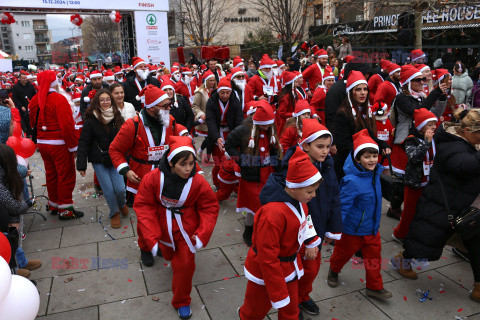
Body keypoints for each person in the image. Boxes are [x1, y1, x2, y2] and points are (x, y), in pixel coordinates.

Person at [392, 108, 480, 303]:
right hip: (444, 204)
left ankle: (478, 286)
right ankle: (403, 259)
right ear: (467, 131)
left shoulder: (470, 144)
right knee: (427, 239)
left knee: (476, 244)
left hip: (467, 204)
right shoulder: (451, 144)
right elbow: (465, 166)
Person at [134, 136, 219, 319]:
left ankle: (182, 301)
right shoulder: (153, 178)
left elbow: (209, 207)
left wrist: (202, 233)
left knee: (185, 264)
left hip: (186, 227)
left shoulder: (198, 182)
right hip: (161, 222)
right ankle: (153, 250)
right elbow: (143, 205)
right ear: (171, 162)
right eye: (183, 164)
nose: (188, 169)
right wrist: (151, 237)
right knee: (166, 252)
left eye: (191, 163)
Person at [239, 148, 321, 320]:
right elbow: (267, 256)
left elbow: (305, 222)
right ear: (293, 187)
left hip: (290, 266)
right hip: (265, 271)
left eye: (315, 191)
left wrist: (311, 241)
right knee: (254, 312)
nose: (314, 195)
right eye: (310, 191)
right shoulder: (272, 215)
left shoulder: (300, 202)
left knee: (291, 311)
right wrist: (278, 292)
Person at [109, 84, 187, 267]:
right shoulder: (132, 125)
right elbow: (115, 149)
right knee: (146, 216)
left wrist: (184, 134)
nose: (170, 108)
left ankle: (159, 242)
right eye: (166, 105)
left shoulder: (169, 119)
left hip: (166, 176)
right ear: (152, 107)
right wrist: (125, 170)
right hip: (142, 177)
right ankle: (145, 248)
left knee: (164, 213)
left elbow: (177, 131)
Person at [281, 119, 342, 318]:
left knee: (312, 269)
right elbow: (296, 207)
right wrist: (308, 239)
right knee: (299, 270)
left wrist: (334, 228)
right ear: (306, 145)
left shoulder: (327, 165)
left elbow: (334, 195)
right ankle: (292, 304)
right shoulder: (294, 167)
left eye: (327, 146)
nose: (325, 151)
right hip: (301, 233)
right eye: (319, 147)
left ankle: (303, 296)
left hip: (320, 225)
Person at [328, 129, 392, 300]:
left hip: (372, 228)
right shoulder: (351, 181)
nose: (372, 160)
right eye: (367, 157)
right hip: (352, 230)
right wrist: (335, 229)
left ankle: (374, 287)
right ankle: (333, 270)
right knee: (342, 254)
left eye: (374, 156)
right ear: (357, 159)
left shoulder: (375, 173)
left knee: (374, 259)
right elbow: (343, 207)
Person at [388, 65, 447, 219]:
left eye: (423, 79)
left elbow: (431, 114)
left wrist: (441, 97)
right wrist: (435, 92)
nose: (422, 82)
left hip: (420, 140)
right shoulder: (401, 99)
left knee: (417, 176)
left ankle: (412, 208)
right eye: (418, 80)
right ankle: (394, 208)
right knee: (402, 180)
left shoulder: (420, 97)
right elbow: (419, 113)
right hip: (404, 141)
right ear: (408, 82)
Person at [225, 101, 282, 246]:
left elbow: (274, 146)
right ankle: (249, 230)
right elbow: (229, 145)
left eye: (269, 124)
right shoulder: (244, 129)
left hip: (269, 171)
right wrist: (243, 161)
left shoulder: (271, 127)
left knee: (267, 203)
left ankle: (264, 229)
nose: (267, 127)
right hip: (253, 174)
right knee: (252, 203)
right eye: (265, 125)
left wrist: (279, 162)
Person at [29, 70, 84, 219]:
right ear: (55, 83)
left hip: (43, 143)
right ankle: (65, 209)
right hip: (59, 144)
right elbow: (67, 126)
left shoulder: (34, 99)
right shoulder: (59, 99)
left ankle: (53, 204)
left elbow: (32, 123)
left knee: (51, 174)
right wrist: (73, 147)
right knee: (65, 175)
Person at [76, 89, 127, 228]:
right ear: (97, 103)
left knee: (120, 189)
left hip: (116, 158)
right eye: (102, 100)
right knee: (109, 190)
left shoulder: (117, 116)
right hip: (99, 159)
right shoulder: (91, 119)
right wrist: (81, 165)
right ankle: (114, 213)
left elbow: (124, 138)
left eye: (108, 99)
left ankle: (122, 204)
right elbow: (83, 142)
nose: (105, 102)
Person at [333, 71, 390, 180]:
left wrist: (382, 145)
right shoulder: (343, 113)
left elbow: (369, 136)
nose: (363, 93)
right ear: (351, 92)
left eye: (365, 89)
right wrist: (367, 151)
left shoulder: (366, 111)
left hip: (363, 164)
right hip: (348, 167)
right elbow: (343, 145)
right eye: (358, 89)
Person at [392, 109, 437, 243]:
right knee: (409, 212)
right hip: (415, 183)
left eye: (435, 124)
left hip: (429, 181)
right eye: (430, 124)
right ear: (420, 126)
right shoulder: (411, 140)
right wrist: (426, 143)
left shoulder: (435, 138)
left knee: (424, 210)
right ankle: (399, 234)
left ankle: (416, 232)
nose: (434, 127)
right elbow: (414, 157)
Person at [0, 144, 42, 277]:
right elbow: (13, 205)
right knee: (7, 246)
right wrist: (27, 204)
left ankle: (20, 264)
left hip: (8, 218)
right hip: (5, 220)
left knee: (12, 240)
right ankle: (14, 273)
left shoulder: (4, 175)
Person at [205, 77, 243, 189]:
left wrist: (236, 137)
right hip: (216, 133)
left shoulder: (235, 101)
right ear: (218, 91)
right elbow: (210, 121)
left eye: (227, 92)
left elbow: (239, 120)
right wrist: (216, 137)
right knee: (218, 162)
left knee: (232, 161)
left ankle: (233, 184)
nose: (225, 95)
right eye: (222, 92)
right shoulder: (211, 101)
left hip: (231, 133)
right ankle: (218, 184)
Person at [192, 70, 216, 138]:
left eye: (213, 80)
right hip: (206, 122)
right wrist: (201, 114)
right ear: (206, 81)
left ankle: (201, 149)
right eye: (210, 81)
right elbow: (195, 106)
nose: (212, 82)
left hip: (215, 121)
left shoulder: (216, 91)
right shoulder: (200, 92)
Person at [12, 71, 36, 137]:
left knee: (31, 119)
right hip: (21, 106)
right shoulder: (16, 87)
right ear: (20, 79)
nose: (25, 79)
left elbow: (34, 95)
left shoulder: (30, 86)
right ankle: (26, 132)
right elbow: (15, 98)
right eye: (23, 78)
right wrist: (21, 106)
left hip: (30, 106)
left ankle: (32, 132)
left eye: (25, 78)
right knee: (23, 120)